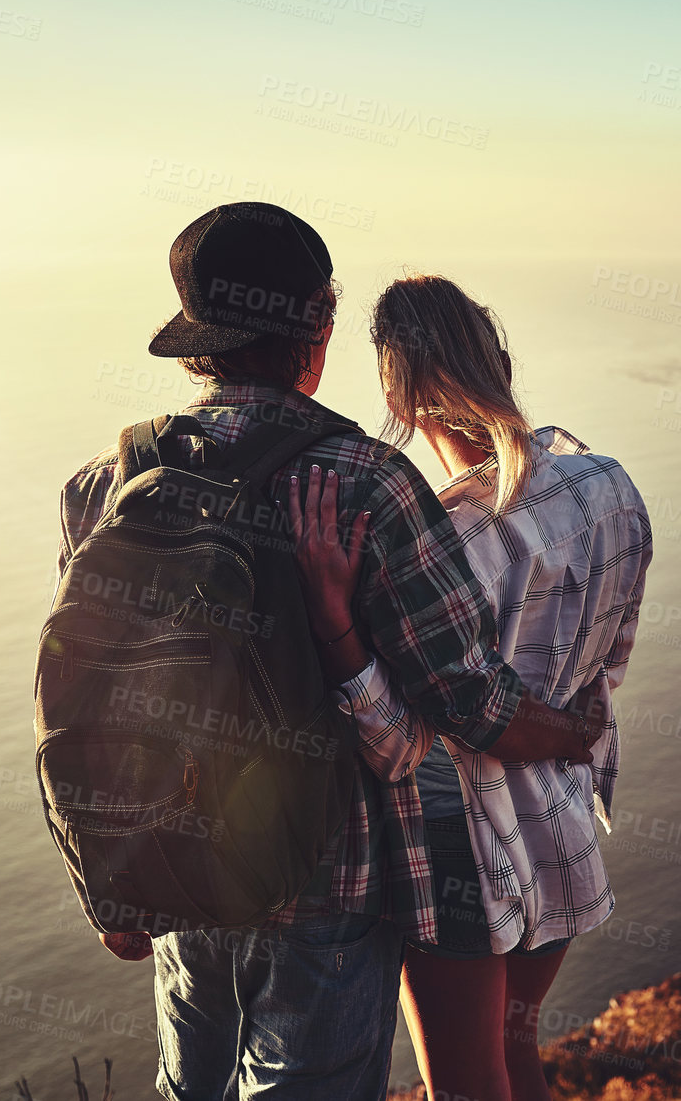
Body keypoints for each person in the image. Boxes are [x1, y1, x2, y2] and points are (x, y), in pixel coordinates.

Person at [54, 203, 601, 1101]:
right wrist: (571, 727)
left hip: (181, 873)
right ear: (319, 326)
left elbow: (79, 696)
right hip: (326, 883)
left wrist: (107, 874)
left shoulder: (103, 484)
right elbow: (467, 699)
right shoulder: (365, 482)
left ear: (197, 337)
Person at [289, 275, 653, 1101]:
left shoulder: (440, 536)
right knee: (513, 1054)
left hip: (464, 863)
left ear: (397, 389)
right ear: (501, 360)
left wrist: (332, 622)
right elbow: (605, 673)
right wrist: (569, 734)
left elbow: (397, 743)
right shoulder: (609, 485)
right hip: (562, 837)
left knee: (460, 1082)